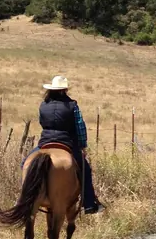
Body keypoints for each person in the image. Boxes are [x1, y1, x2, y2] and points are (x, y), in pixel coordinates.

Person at [33, 75, 103, 214]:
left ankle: (22, 198)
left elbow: (42, 122)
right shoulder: (72, 105)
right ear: (64, 89)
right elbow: (80, 127)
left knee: (25, 164)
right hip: (67, 142)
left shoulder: (43, 105)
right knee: (85, 170)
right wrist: (82, 144)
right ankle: (88, 203)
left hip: (45, 142)